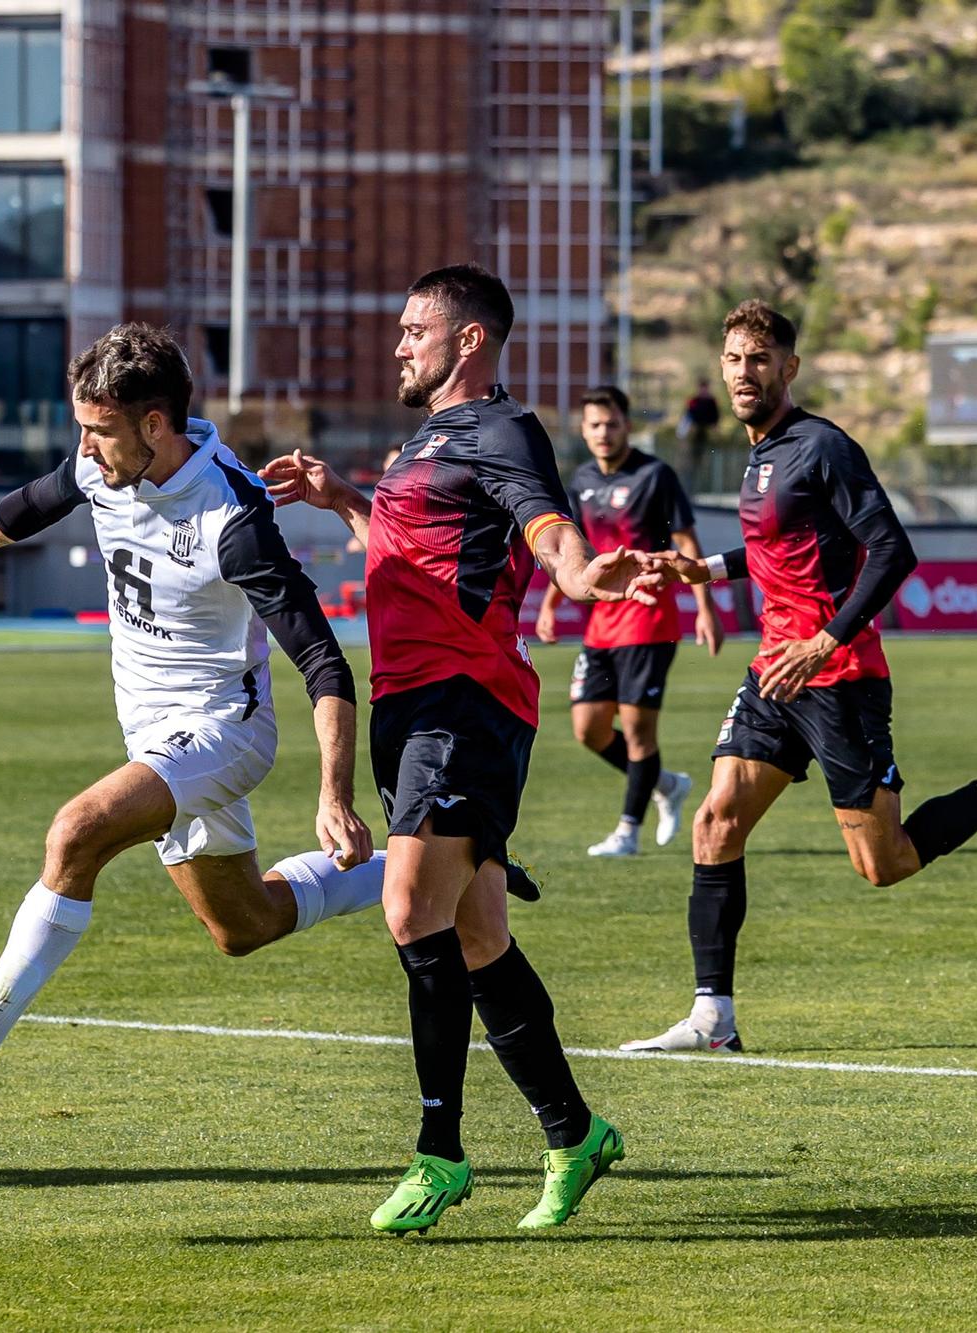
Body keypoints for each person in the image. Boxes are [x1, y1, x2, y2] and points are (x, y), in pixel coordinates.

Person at [0, 323, 388, 1115]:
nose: (85, 447)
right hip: (153, 736)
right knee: (243, 925)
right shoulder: (100, 465)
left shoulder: (233, 514)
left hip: (224, 730)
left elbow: (324, 660)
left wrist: (335, 794)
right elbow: (29, 505)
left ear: (154, 425)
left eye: (99, 430)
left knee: (75, 832)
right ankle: (421, 871)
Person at [261, 264, 652, 1234]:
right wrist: (342, 496)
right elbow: (405, 545)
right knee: (477, 934)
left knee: (405, 907)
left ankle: (438, 1153)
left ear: (466, 340)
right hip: (407, 704)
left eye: (412, 329)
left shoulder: (501, 428)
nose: (398, 343)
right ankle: (574, 1131)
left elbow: (547, 529)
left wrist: (584, 572)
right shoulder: (421, 443)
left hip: (463, 702)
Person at [620, 300, 977, 1058]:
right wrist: (704, 567)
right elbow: (785, 550)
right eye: (734, 358)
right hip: (775, 671)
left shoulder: (823, 446)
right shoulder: (758, 453)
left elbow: (890, 550)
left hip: (840, 675)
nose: (745, 372)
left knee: (886, 863)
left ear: (790, 368)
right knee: (715, 825)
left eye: (760, 358)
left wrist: (824, 640)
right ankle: (714, 1018)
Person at [536, 385, 720, 857]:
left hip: (648, 620)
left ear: (626, 426)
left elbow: (687, 545)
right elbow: (571, 552)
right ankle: (665, 784)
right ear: (583, 430)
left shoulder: (655, 475)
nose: (603, 432)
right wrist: (551, 606)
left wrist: (705, 608)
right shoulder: (578, 481)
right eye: (594, 424)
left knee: (639, 732)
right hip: (602, 620)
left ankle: (627, 832)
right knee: (589, 730)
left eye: (611, 423)